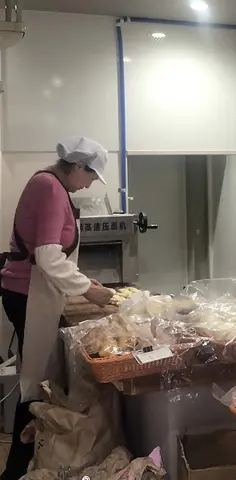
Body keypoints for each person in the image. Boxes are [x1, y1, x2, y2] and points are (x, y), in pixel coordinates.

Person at [0, 136, 114, 480]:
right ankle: (17, 469)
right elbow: (48, 256)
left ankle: (31, 462)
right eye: (90, 175)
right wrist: (87, 291)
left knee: (36, 379)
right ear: (78, 166)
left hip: (32, 292)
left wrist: (83, 282)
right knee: (35, 383)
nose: (90, 184)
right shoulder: (50, 188)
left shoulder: (49, 184)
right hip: (29, 295)